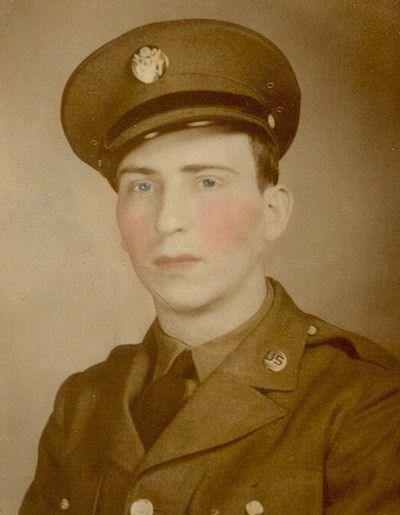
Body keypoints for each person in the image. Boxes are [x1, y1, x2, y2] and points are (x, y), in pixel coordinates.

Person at [20, 19, 400, 515]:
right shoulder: (82, 403)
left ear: (273, 212)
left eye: (207, 183)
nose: (168, 220)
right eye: (141, 186)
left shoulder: (365, 403)